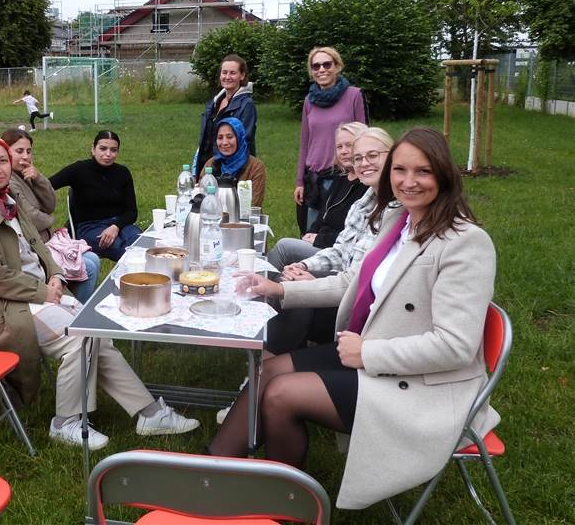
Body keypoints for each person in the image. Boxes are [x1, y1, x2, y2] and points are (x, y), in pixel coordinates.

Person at [210, 127, 499, 511]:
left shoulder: (465, 242)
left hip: (420, 386)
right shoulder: (400, 217)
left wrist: (368, 353)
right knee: (266, 373)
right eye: (400, 170)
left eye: (423, 172)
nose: (408, 182)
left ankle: (278, 507)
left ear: (445, 174)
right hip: (372, 354)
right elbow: (351, 279)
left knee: (281, 395)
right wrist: (279, 289)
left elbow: (456, 347)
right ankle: (212, 475)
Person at [0, 136, 199, 450]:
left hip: (38, 293)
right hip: (6, 309)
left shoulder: (7, 197)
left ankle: (149, 414)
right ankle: (66, 422)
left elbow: (39, 243)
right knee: (80, 338)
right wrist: (42, 290)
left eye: (2, 160)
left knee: (96, 333)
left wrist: (54, 274)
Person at [262, 126, 393, 356]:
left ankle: (273, 357)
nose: (364, 163)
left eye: (373, 156)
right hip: (342, 275)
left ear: (392, 156)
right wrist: (304, 266)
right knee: (290, 275)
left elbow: (359, 277)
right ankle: (271, 353)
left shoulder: (394, 211)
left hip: (364, 300)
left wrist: (311, 281)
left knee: (292, 288)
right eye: (358, 158)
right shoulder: (363, 203)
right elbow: (340, 251)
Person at [1, 127, 101, 302]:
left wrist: (38, 178)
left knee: (93, 258)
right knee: (89, 267)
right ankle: (76, 315)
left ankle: (74, 305)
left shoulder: (26, 174)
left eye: (28, 151)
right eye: (19, 151)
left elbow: (50, 203)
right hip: (31, 249)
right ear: (5, 151)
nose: (25, 156)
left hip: (46, 241)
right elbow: (31, 219)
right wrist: (50, 221)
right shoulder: (9, 182)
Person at [268, 122, 370, 273]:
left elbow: (354, 237)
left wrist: (317, 239)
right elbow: (323, 215)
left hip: (337, 253)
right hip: (320, 244)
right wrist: (309, 233)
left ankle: (260, 290)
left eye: (349, 145)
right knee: (288, 271)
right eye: (339, 146)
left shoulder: (367, 186)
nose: (344, 151)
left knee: (284, 247)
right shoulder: (340, 178)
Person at [294, 47, 366, 234]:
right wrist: (300, 181)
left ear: (337, 66)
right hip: (314, 179)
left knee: (335, 234)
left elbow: (365, 138)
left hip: (342, 176)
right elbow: (304, 143)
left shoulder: (354, 95)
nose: (321, 69)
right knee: (310, 234)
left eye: (327, 64)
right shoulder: (309, 101)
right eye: (316, 66)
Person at [50, 130, 140, 262]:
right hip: (89, 227)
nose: (108, 154)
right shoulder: (78, 170)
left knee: (140, 243)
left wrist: (116, 227)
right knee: (121, 248)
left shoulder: (123, 173)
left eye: (113, 150)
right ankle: (130, 279)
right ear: (93, 149)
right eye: (103, 149)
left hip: (119, 224)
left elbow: (132, 212)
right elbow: (48, 185)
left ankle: (140, 278)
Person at [194, 54, 257, 180]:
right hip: (208, 163)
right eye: (224, 72)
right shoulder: (215, 102)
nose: (227, 77)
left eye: (232, 73)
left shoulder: (247, 105)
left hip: (232, 168)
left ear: (242, 75)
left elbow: (244, 140)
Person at [202, 117, 266, 208]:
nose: (224, 142)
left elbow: (254, 204)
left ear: (239, 137)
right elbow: (201, 196)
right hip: (213, 217)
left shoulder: (255, 167)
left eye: (230, 137)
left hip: (243, 220)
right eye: (220, 138)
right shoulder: (211, 164)